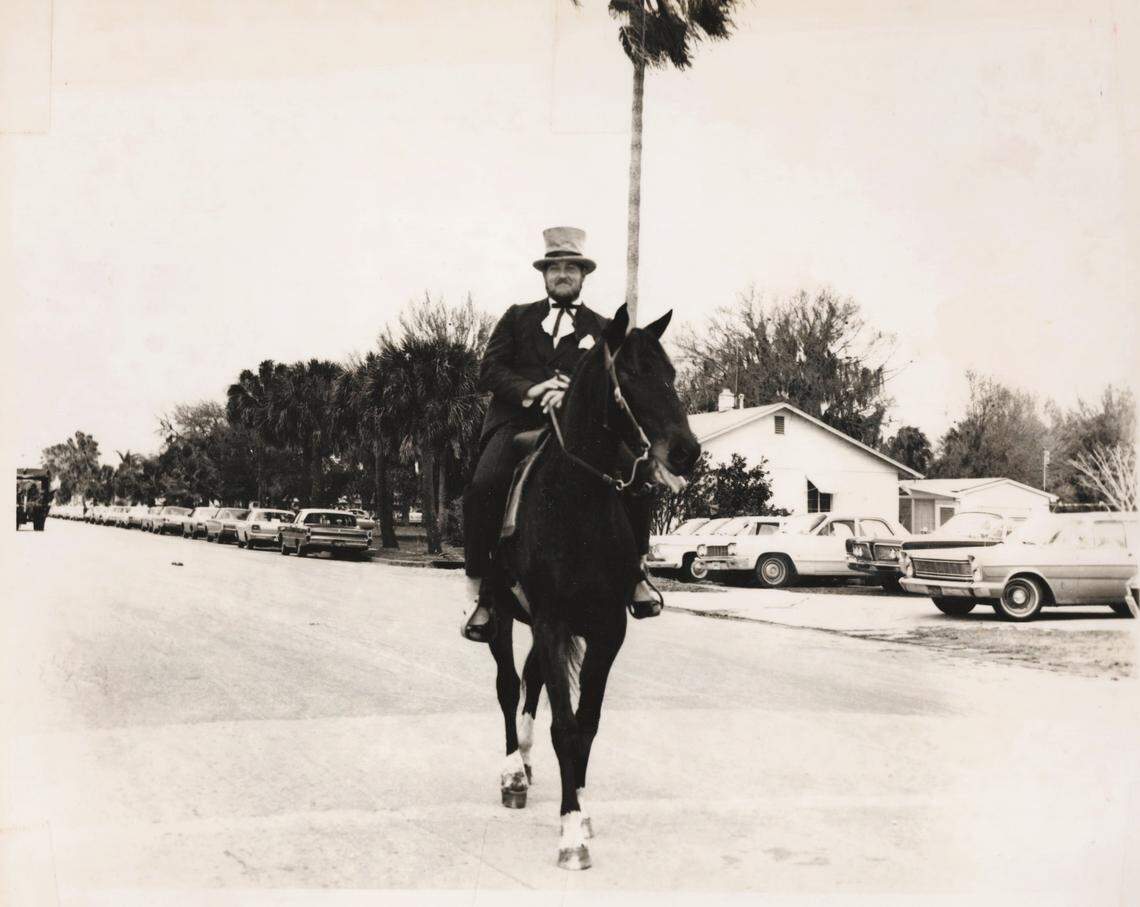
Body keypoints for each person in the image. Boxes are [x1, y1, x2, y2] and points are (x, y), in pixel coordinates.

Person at [461, 226, 661, 642]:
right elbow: (490, 370)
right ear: (545, 274)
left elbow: (617, 384)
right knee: (483, 485)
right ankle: (482, 592)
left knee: (640, 478)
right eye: (556, 268)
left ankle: (636, 572)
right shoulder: (517, 317)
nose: (564, 274)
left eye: (572, 267)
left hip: (580, 433)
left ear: (584, 275)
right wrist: (533, 390)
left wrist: (574, 393)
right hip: (518, 424)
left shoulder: (605, 328)